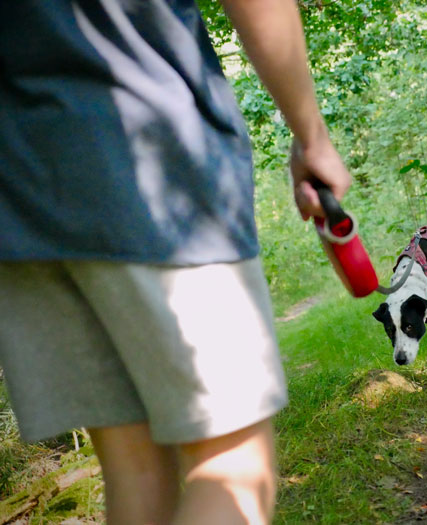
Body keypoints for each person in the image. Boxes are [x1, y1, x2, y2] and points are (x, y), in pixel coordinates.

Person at [0, 0, 351, 523]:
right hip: (152, 164)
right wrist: (312, 136)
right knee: (232, 466)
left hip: (19, 193)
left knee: (136, 475)